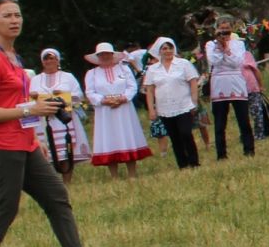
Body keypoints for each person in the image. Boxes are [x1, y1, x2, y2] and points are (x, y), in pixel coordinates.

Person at [0, 0, 113, 247]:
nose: (15, 20)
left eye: (17, 15)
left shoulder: (15, 57)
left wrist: (37, 128)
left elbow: (20, 102)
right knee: (6, 209)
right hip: (4, 146)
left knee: (57, 197)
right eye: (7, 16)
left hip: (26, 143)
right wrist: (30, 108)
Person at [82, 44, 147, 177]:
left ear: (112, 54)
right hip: (105, 111)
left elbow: (132, 86)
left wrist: (123, 98)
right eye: (101, 54)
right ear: (98, 56)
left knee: (127, 135)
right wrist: (104, 100)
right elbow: (90, 92)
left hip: (124, 108)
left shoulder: (124, 69)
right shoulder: (92, 73)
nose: (105, 56)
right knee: (108, 138)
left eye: (107, 53)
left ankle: (132, 174)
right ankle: (114, 176)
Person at [30, 48, 90, 182]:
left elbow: (79, 96)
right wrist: (33, 96)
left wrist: (63, 93)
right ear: (42, 61)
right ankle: (52, 182)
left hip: (63, 118)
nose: (49, 61)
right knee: (48, 151)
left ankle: (67, 181)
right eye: (46, 58)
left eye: (52, 58)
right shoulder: (35, 79)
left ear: (57, 60)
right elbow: (29, 98)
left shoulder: (67, 77)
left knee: (65, 150)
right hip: (44, 120)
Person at [142, 37, 202, 169]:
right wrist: (152, 109)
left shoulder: (184, 63)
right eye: (164, 48)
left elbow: (193, 82)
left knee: (186, 133)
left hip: (184, 105)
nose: (168, 51)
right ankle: (183, 164)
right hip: (164, 108)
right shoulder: (153, 69)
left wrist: (194, 101)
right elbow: (150, 90)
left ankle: (194, 162)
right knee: (175, 137)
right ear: (159, 51)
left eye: (170, 48)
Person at [203, 17, 256, 159]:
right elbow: (214, 60)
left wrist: (226, 49)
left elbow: (237, 62)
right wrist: (219, 48)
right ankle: (221, 155)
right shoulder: (210, 45)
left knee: (243, 120)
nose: (224, 34)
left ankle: (249, 150)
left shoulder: (238, 44)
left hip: (236, 83)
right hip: (219, 84)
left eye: (227, 30)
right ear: (216, 30)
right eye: (221, 30)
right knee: (220, 123)